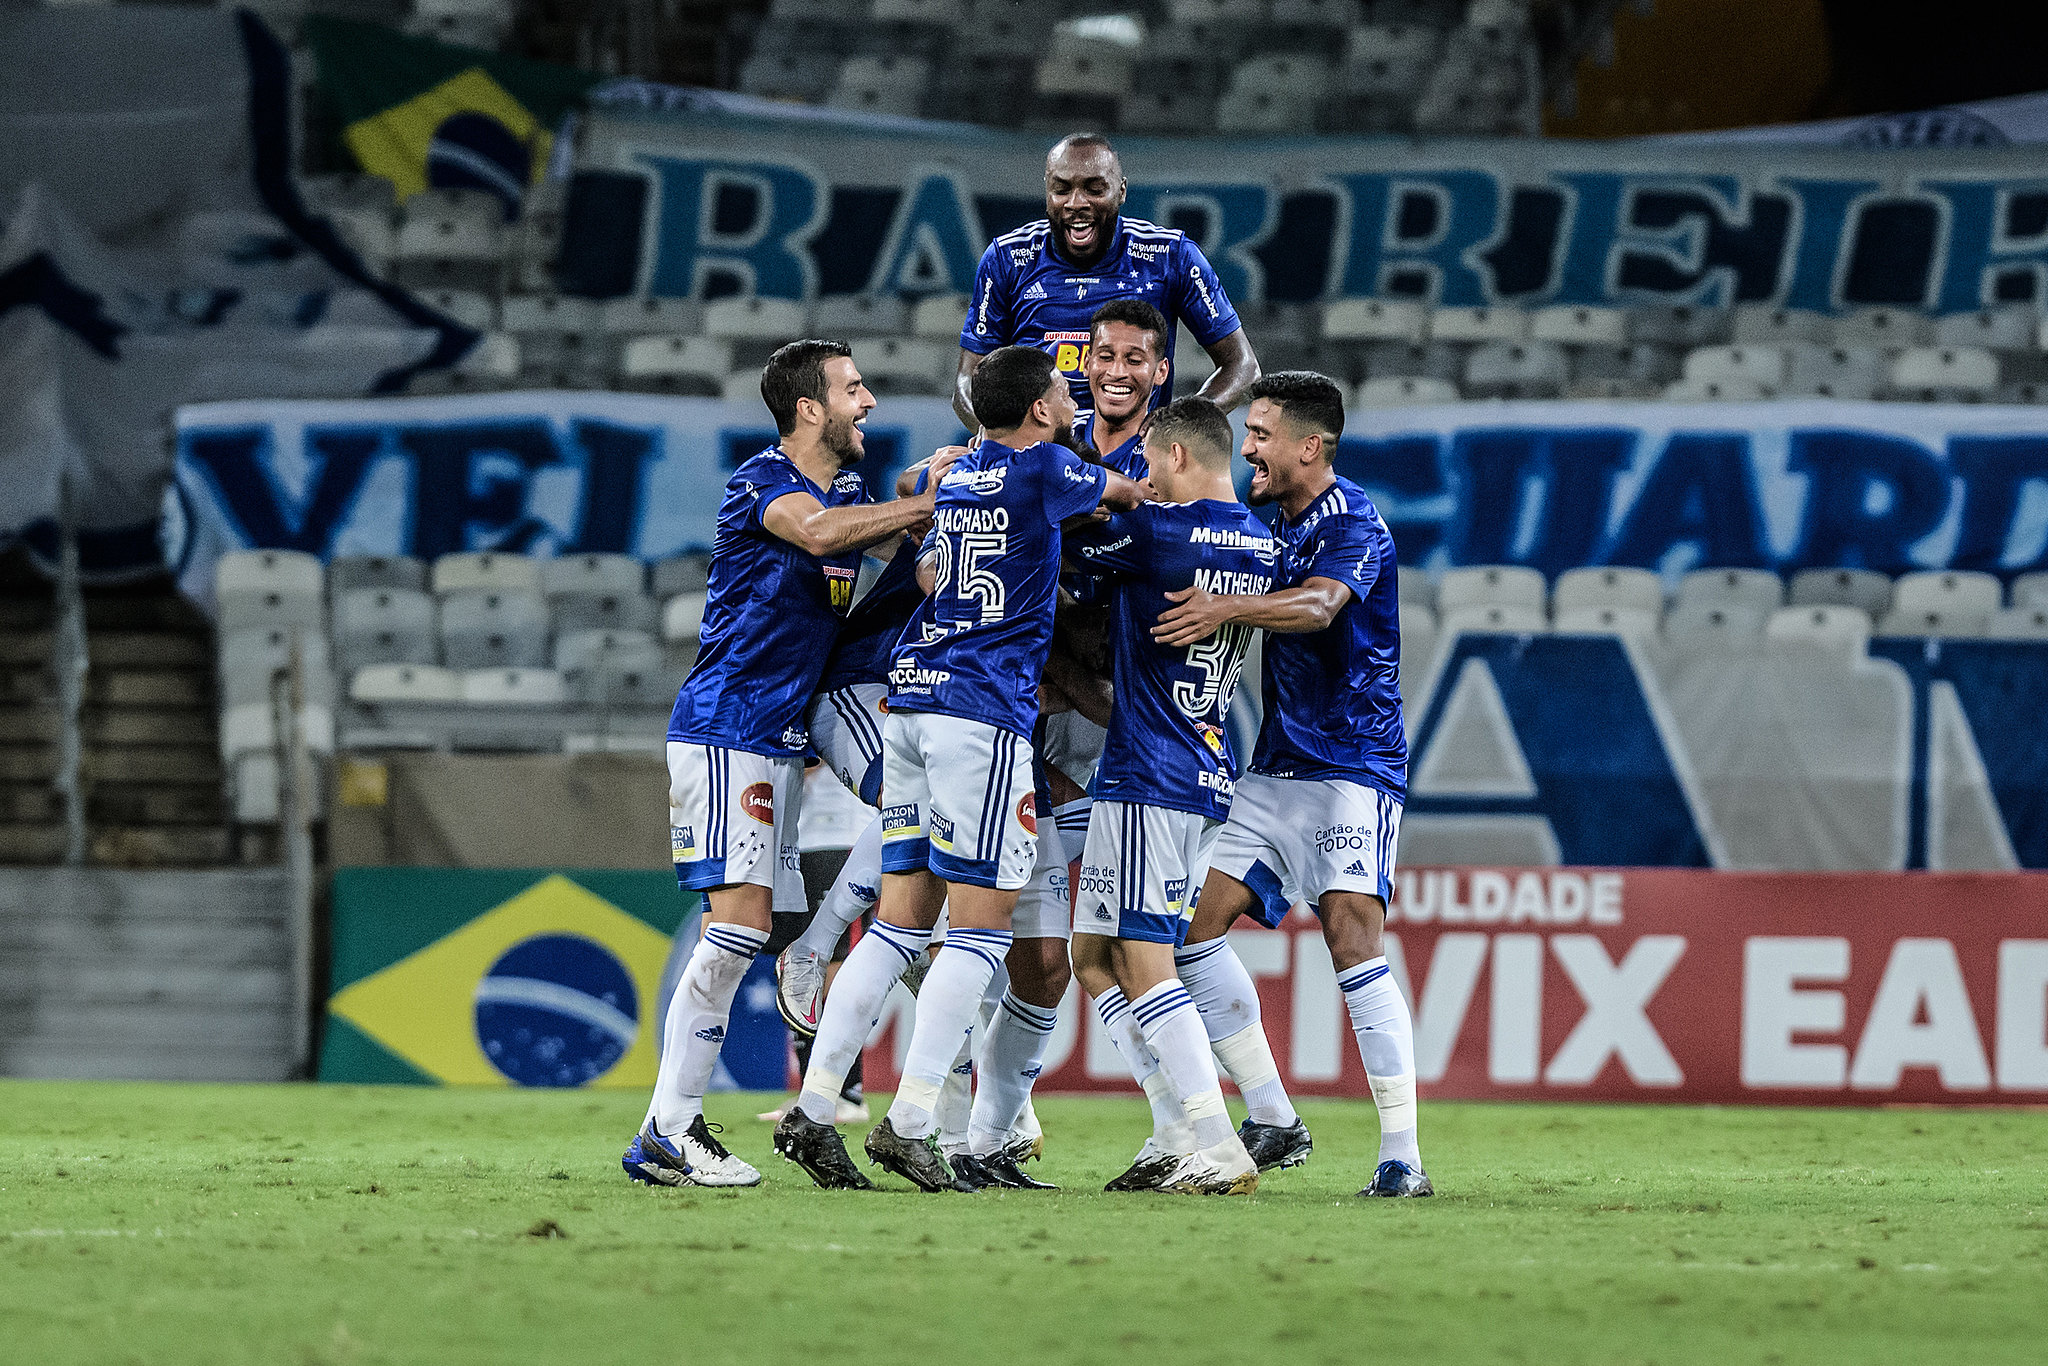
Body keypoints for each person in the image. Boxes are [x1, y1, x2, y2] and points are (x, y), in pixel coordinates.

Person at [774, 344, 1142, 1192]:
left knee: (901, 924)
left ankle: (814, 1107)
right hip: (982, 717)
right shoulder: (1046, 466)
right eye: (1063, 392)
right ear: (1043, 411)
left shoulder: (957, 475)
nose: (1072, 401)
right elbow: (1126, 492)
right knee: (979, 932)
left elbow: (935, 555)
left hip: (912, 699)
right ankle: (908, 1124)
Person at [620, 339, 951, 1190]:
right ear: (811, 409)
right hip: (730, 726)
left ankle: (671, 1125)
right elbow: (820, 534)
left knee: (759, 929)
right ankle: (671, 1127)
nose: (868, 401)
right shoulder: (765, 482)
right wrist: (916, 506)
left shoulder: (842, 490)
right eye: (853, 388)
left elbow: (891, 551)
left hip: (778, 736)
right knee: (735, 929)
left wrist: (960, 495)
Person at [1150, 371, 1432, 1199]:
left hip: (1353, 769)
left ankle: (1402, 1157)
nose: (1248, 450)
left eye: (1262, 435)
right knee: (1186, 933)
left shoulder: (1356, 524)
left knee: (1353, 945)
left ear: (1311, 446)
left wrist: (1223, 610)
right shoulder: (1278, 525)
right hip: (1274, 771)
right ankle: (1272, 1114)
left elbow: (1315, 608)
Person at [1065, 395, 1279, 1196]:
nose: (1143, 479)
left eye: (1150, 463)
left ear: (1179, 456)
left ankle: (1218, 1141)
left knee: (1148, 962)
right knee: (1093, 957)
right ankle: (1170, 1127)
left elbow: (1063, 532)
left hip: (1150, 773)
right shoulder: (1260, 543)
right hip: (1206, 765)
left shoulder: (1156, 531)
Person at [954, 133, 1259, 431]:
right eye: (1061, 190)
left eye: (1094, 189)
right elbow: (967, 380)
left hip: (1133, 457)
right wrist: (994, 437)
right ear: (1047, 192)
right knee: (913, 482)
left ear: (1121, 191)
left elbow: (1243, 366)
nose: (1076, 203)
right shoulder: (1007, 258)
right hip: (1037, 454)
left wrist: (1180, 425)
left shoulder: (1170, 256)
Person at [1072, 298, 1170, 480]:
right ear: (1087, 363)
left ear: (1161, 371)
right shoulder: (1054, 436)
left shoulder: (1169, 455)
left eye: (1134, 360)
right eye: (1106, 357)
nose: (1117, 372)